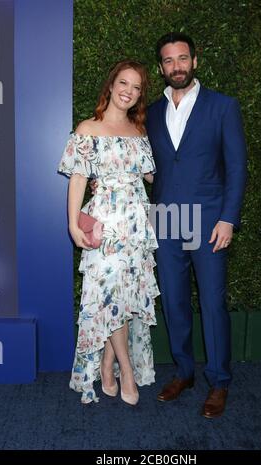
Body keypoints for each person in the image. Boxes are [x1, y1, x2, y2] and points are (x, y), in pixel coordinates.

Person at [146, 32, 247, 418]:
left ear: (194, 61)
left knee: (212, 302)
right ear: (161, 67)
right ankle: (184, 372)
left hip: (208, 221)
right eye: (169, 61)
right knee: (173, 302)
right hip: (166, 219)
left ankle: (218, 381)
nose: (177, 66)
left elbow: (237, 167)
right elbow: (157, 165)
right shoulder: (152, 112)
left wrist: (228, 218)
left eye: (183, 58)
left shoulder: (222, 107)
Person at [58, 60, 160, 405]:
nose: (128, 91)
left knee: (126, 297)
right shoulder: (88, 128)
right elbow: (78, 179)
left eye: (136, 87)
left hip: (136, 224)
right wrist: (73, 223)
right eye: (123, 83)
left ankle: (107, 364)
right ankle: (126, 371)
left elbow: (153, 178)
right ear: (111, 85)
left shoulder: (140, 132)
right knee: (110, 297)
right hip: (105, 224)